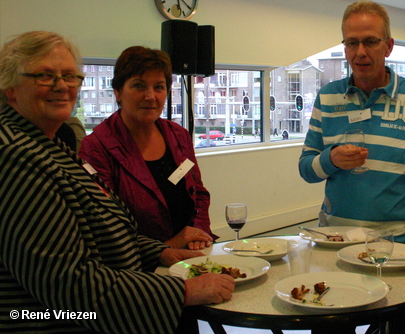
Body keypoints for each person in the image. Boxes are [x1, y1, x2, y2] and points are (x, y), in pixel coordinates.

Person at [0, 31, 234, 333]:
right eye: (45, 76)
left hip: (137, 288)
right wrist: (184, 291)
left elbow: (102, 228)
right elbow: (69, 285)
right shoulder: (15, 157)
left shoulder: (49, 144)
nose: (61, 86)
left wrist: (160, 253)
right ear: (10, 89)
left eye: (70, 76)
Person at [299, 0, 405, 246]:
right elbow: (306, 170)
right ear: (345, 48)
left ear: (388, 46)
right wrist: (330, 159)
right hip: (335, 238)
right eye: (352, 43)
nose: (360, 51)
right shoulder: (328, 97)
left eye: (370, 41)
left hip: (396, 241)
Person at [80, 46, 216, 250]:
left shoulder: (178, 135)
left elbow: (199, 193)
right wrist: (166, 248)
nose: (150, 96)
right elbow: (104, 225)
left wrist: (198, 232)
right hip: (138, 267)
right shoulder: (97, 147)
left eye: (159, 87)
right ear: (118, 92)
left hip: (193, 251)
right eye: (139, 86)